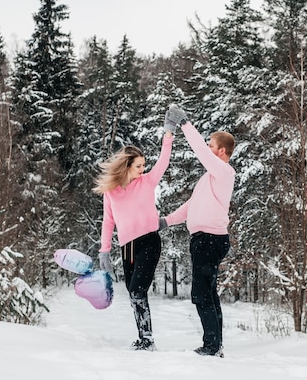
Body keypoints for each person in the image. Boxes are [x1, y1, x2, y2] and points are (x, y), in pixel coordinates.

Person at [159, 104, 236, 357]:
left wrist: (185, 124)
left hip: (210, 240)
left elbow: (200, 152)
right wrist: (166, 221)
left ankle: (211, 346)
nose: (208, 149)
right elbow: (191, 206)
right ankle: (215, 344)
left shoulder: (224, 171)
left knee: (202, 293)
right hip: (204, 240)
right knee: (208, 293)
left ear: (221, 151)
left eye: (212, 146)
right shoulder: (209, 179)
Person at [93, 118, 175, 351]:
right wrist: (104, 251)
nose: (143, 169)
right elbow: (108, 221)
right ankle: (143, 337)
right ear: (127, 166)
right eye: (138, 166)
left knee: (138, 288)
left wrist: (168, 135)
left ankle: (148, 340)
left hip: (149, 240)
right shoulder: (111, 192)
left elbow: (163, 162)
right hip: (127, 246)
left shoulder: (147, 182)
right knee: (132, 291)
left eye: (143, 165)